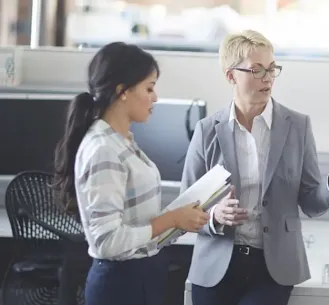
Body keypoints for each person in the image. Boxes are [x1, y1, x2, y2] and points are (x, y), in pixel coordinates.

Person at [181, 29, 329, 305]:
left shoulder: (297, 126)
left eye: (272, 69)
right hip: (216, 264)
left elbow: (311, 201)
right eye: (257, 70)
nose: (268, 78)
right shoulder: (206, 131)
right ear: (231, 76)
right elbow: (186, 209)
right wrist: (214, 216)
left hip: (273, 267)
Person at [51, 42, 210, 305]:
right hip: (120, 284)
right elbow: (108, 242)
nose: (155, 97)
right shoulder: (103, 149)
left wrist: (181, 220)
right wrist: (170, 219)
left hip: (140, 277)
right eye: (149, 87)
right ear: (122, 91)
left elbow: (137, 223)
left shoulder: (122, 141)